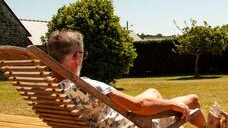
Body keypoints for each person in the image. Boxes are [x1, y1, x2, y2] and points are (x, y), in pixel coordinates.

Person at [47, 30, 207, 128]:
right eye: (83, 54)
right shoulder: (86, 86)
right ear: (77, 56)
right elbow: (140, 106)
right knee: (193, 100)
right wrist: (173, 104)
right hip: (133, 123)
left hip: (104, 118)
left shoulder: (46, 88)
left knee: (152, 92)